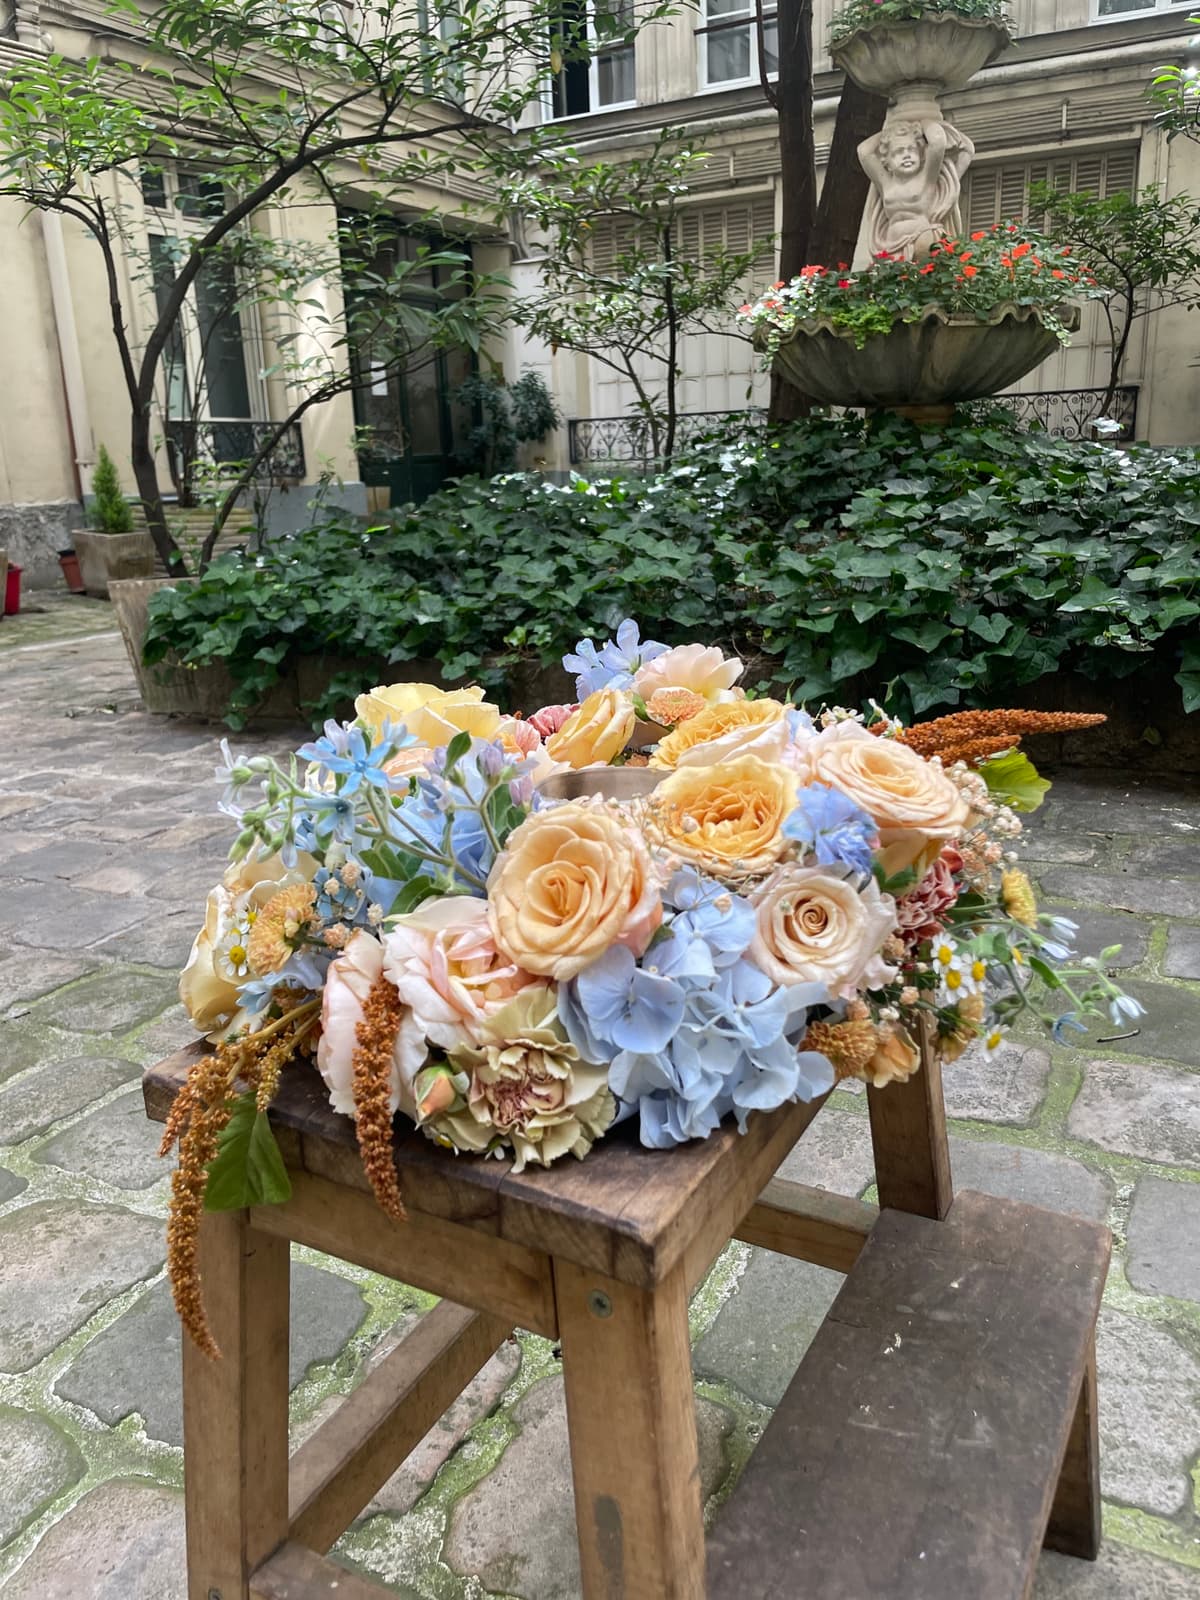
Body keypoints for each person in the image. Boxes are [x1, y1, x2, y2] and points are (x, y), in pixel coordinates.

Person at [858, 117, 975, 260]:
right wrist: (890, 131)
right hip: (890, 245)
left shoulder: (926, 178)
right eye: (899, 151)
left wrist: (922, 122)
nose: (907, 155)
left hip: (921, 237)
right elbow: (864, 151)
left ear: (921, 155)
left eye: (912, 149)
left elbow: (937, 141)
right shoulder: (885, 183)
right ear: (886, 161)